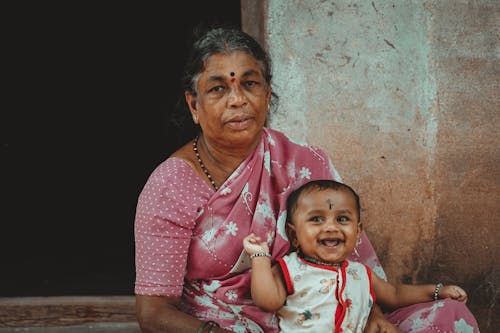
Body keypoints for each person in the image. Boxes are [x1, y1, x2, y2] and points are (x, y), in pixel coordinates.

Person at [133, 26, 480, 333]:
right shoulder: (169, 186)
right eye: (218, 89)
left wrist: (369, 310)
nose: (237, 100)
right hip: (225, 324)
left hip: (327, 318)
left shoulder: (304, 163)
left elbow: (349, 258)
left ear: (268, 96)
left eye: (250, 84)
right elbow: (153, 313)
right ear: (194, 105)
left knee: (450, 317)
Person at [243, 179, 472, 332]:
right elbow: (267, 300)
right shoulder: (290, 268)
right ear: (294, 235)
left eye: (342, 219)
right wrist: (261, 257)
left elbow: (393, 294)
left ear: (358, 231)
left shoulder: (360, 273)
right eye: (316, 219)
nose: (331, 227)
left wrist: (436, 291)